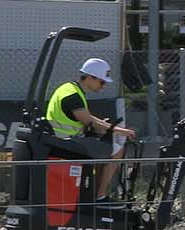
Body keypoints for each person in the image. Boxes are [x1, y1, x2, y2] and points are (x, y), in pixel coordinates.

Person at [45, 57, 137, 199]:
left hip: (62, 140)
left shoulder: (70, 89)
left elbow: (89, 118)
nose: (103, 86)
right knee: (117, 151)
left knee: (102, 149)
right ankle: (100, 196)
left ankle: (93, 194)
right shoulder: (73, 96)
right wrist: (119, 130)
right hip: (65, 143)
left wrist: (112, 128)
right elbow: (90, 122)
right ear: (89, 78)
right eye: (101, 82)